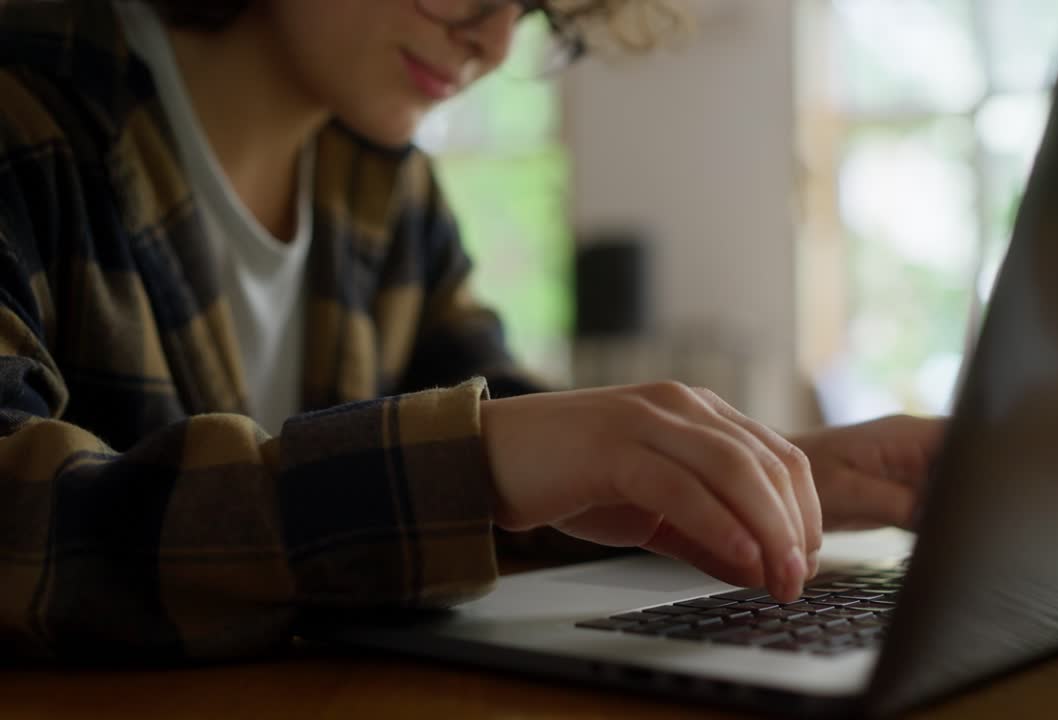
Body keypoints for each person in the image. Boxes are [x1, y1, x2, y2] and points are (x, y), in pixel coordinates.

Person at [0, 0, 944, 662]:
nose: (492, 37)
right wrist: (477, 461)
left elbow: (527, 442)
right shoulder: (26, 113)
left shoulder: (384, 187)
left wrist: (751, 470)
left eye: (529, 2)